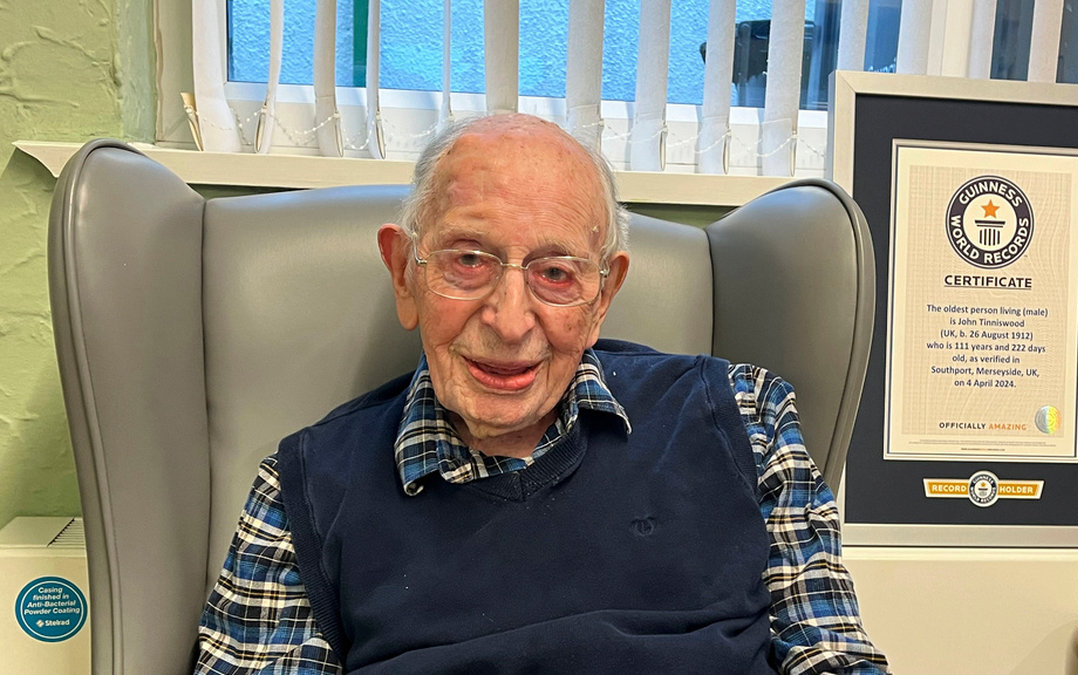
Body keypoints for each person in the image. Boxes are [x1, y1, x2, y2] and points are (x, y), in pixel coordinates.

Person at [193, 113, 889, 674]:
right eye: (469, 259)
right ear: (405, 273)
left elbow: (834, 656)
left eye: (556, 273)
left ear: (602, 296)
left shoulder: (742, 416)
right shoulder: (304, 491)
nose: (509, 320)